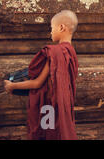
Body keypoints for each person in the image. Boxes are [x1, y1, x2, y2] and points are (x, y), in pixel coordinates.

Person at [4, 10, 79, 140]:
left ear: (61, 27)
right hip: (65, 107)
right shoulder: (72, 53)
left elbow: (37, 82)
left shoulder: (55, 53)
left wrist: (13, 86)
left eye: (52, 28)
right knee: (62, 133)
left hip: (48, 106)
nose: (50, 32)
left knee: (46, 134)